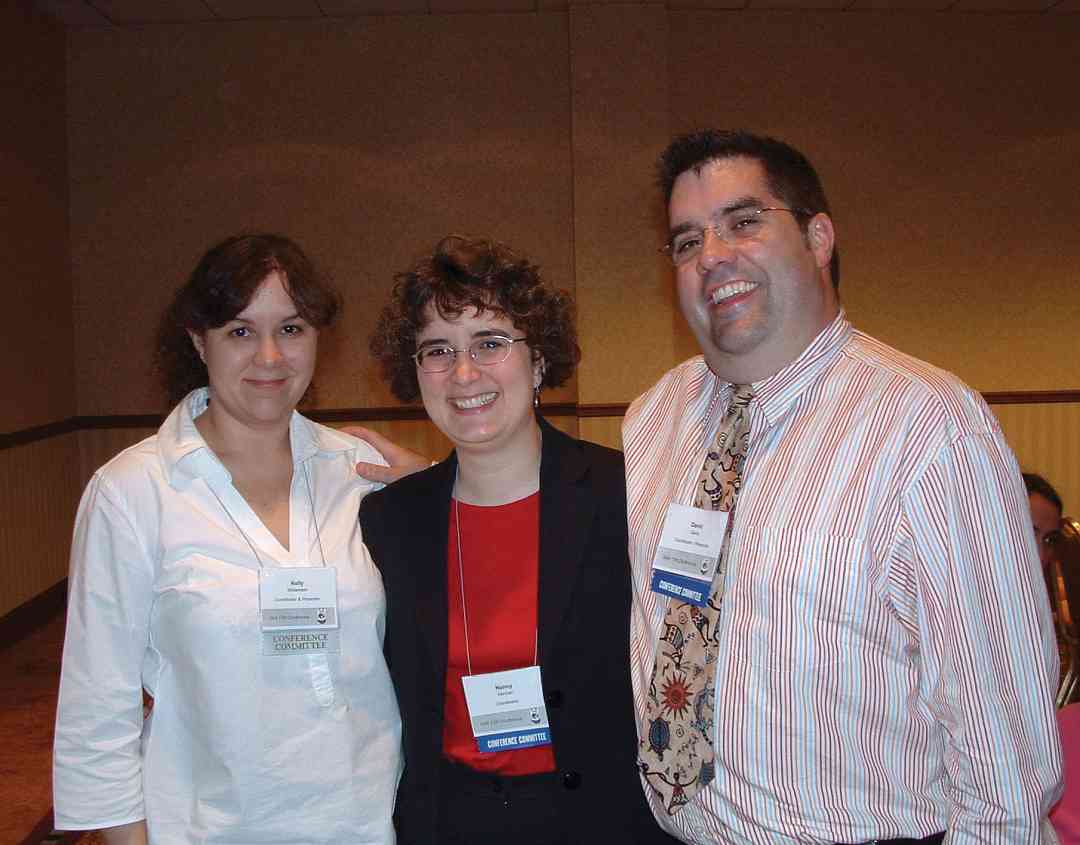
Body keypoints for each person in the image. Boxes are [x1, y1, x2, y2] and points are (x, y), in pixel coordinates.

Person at [625, 129, 1062, 843]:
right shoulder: (652, 422)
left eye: (743, 222)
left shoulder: (929, 427)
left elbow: (1005, 759)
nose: (712, 257)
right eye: (685, 241)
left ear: (818, 236)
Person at [53, 234, 402, 844]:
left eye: (291, 329)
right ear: (198, 340)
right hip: (206, 827)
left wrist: (428, 482)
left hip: (364, 821)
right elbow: (96, 713)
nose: (270, 356)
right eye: (240, 331)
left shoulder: (359, 473)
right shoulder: (135, 491)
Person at [358, 235, 673, 845]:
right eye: (437, 350)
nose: (464, 372)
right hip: (449, 822)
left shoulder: (628, 494)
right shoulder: (390, 523)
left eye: (491, 343)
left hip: (600, 822)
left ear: (540, 361)